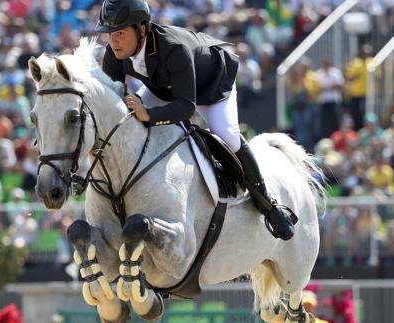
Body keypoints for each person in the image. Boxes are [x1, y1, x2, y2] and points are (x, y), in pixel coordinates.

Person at [95, 0, 296, 240]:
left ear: (141, 29)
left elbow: (186, 107)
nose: (113, 41)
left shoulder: (172, 47)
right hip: (165, 88)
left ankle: (270, 206)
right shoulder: (114, 52)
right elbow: (115, 97)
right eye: (109, 34)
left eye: (119, 33)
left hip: (210, 85)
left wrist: (149, 114)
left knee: (227, 134)